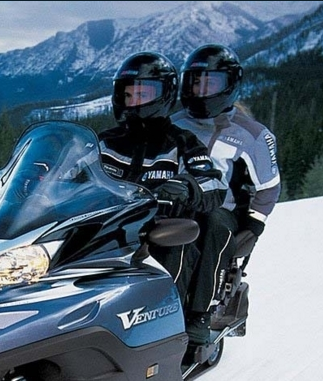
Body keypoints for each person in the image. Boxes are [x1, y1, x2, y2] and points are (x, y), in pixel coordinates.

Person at [97, 51, 228, 312]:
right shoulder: (105, 142)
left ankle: (172, 317)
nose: (134, 101)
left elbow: (214, 183)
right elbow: (71, 173)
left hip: (157, 232)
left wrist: (187, 187)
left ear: (164, 94)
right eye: (128, 94)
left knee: (174, 245)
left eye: (142, 94)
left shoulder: (182, 142)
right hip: (107, 228)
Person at [171, 44, 281, 347]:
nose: (202, 91)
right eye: (196, 83)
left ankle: (199, 314)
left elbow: (269, 185)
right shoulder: (173, 124)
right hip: (176, 203)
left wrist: (254, 225)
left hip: (222, 209)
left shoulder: (252, 135)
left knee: (212, 226)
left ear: (229, 85)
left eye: (211, 84)